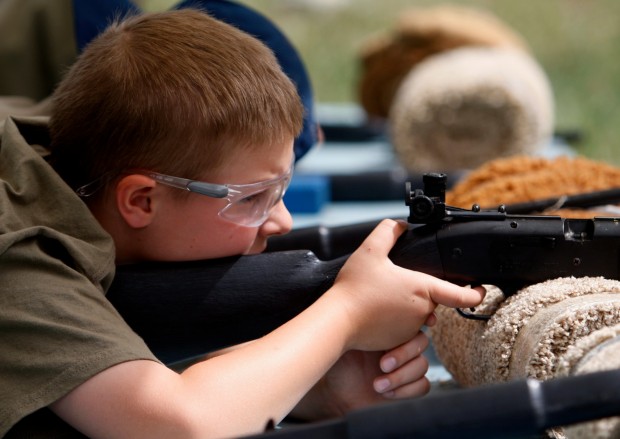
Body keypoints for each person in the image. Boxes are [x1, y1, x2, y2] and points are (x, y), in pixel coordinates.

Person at [0, 9, 485, 438]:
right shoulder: (19, 257)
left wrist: (310, 390)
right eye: (252, 198)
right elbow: (179, 424)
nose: (282, 220)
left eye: (281, 189)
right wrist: (346, 313)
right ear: (142, 200)